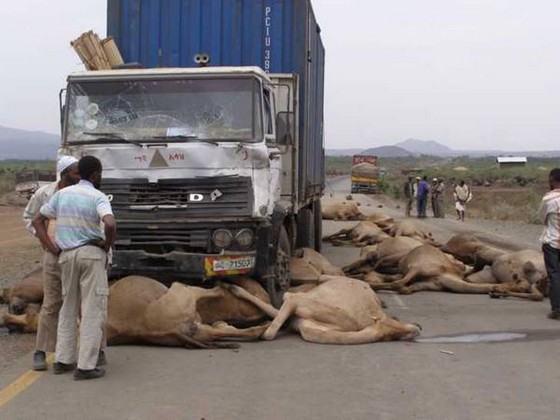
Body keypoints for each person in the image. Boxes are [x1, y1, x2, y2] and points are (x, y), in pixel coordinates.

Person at [32, 156, 116, 380]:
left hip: (66, 256)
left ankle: (63, 360)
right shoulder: (98, 196)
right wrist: (107, 244)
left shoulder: (62, 195)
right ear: (96, 174)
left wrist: (51, 247)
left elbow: (37, 220)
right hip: (91, 255)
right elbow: (109, 223)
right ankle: (86, 366)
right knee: (91, 310)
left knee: (67, 307)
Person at [23, 156, 80, 371]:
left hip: (76, 253)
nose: (79, 176)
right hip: (53, 254)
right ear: (64, 173)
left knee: (81, 303)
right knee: (51, 303)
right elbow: (30, 217)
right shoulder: (45, 193)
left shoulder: (83, 192)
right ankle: (41, 351)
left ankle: (89, 352)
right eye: (75, 172)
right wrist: (45, 240)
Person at [539, 168, 560, 320]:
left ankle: (557, 309)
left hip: (552, 241)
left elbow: (542, 218)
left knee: (554, 275)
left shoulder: (549, 199)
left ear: (552, 180)